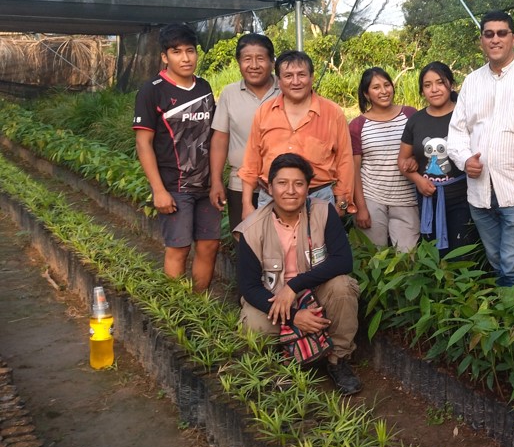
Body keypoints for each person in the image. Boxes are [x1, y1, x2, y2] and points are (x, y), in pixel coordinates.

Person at [235, 153, 363, 395]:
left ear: (308, 188)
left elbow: (343, 261)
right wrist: (294, 317)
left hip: (315, 292)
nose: (290, 190)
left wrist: (294, 287)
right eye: (282, 183)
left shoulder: (324, 212)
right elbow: (249, 287)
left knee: (342, 286)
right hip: (276, 301)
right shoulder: (251, 229)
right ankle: (283, 356)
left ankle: (338, 359)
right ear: (269, 188)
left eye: (298, 183)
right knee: (252, 324)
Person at [447, 10, 514, 287]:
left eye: (501, 33)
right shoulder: (472, 82)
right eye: (489, 34)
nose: (495, 39)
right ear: (482, 41)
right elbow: (457, 133)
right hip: (480, 193)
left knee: (511, 267)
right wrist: (463, 160)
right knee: (497, 261)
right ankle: (513, 317)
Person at [132, 23, 219, 293]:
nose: (185, 58)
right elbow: (143, 143)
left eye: (190, 51)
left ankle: (197, 306)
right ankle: (176, 313)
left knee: (209, 246)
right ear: (164, 56)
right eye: (177, 51)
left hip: (206, 187)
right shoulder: (152, 90)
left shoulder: (203, 87)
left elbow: (215, 137)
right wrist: (158, 190)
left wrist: (216, 181)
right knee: (178, 248)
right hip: (174, 186)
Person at [239, 50, 354, 221]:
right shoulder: (264, 112)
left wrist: (342, 202)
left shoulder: (332, 113)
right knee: (273, 248)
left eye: (301, 75)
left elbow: (344, 159)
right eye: (288, 76)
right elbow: (251, 161)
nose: (295, 82)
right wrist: (247, 204)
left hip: (318, 198)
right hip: (271, 199)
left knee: (317, 248)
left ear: (312, 77)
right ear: (278, 80)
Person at [398, 62, 477, 255]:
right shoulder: (416, 120)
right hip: (428, 200)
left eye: (440, 83)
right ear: (422, 90)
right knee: (433, 255)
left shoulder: (465, 115)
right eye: (427, 85)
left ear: (450, 84)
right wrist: (417, 179)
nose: (434, 89)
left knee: (462, 254)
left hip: (463, 199)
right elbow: (402, 160)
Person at [209, 33, 280, 231]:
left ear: (272, 62)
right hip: (240, 185)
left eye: (261, 58)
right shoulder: (229, 94)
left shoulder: (286, 89)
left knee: (283, 249)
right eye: (247, 59)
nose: (254, 65)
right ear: (239, 62)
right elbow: (220, 140)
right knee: (246, 246)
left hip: (284, 186)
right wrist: (216, 181)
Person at [349, 67, 419, 252]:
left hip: (407, 197)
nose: (384, 91)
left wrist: (414, 160)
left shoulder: (410, 115)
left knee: (407, 257)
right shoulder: (357, 125)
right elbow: (354, 169)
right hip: (372, 197)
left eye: (387, 85)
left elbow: (422, 150)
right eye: (376, 87)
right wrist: (361, 207)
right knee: (374, 257)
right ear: (366, 93)